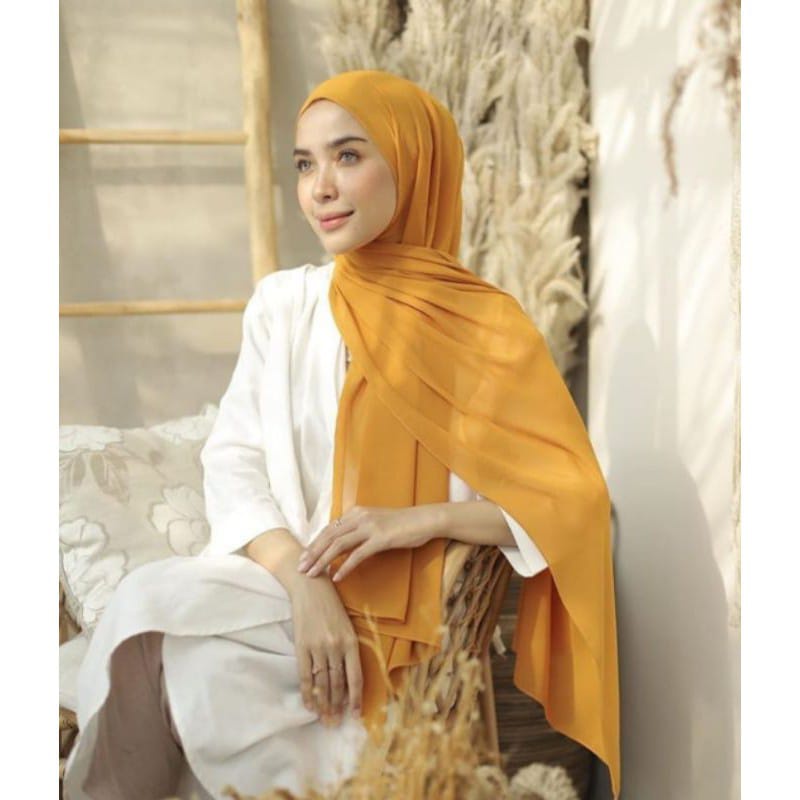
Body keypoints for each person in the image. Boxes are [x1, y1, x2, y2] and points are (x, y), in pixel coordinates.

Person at [63, 69, 620, 800]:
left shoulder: (485, 329)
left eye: (348, 156)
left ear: (413, 164)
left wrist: (416, 521)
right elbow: (234, 460)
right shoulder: (285, 305)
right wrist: (305, 586)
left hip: (407, 630)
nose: (320, 188)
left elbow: (569, 504)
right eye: (305, 164)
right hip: (281, 594)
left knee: (189, 666)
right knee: (147, 619)